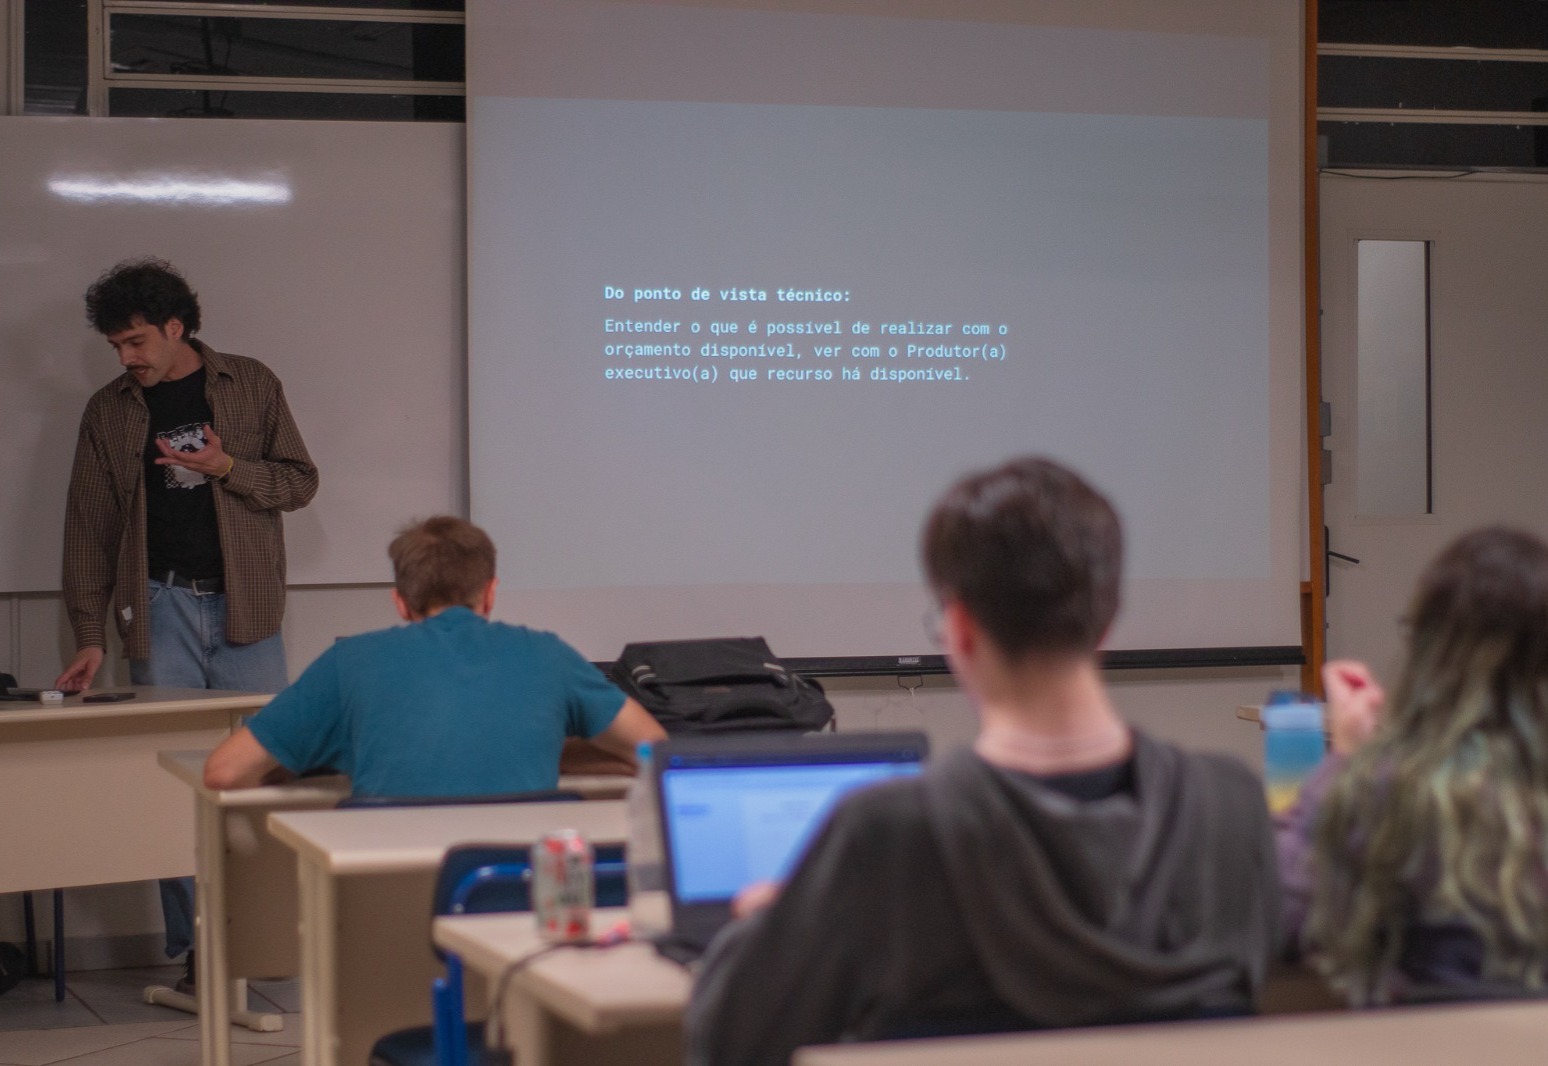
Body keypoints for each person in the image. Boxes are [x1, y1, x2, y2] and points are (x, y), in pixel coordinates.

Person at [687, 457, 1279, 1065]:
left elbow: (728, 1045)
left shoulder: (884, 834)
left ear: (961, 630)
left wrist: (768, 927)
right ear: (1105, 620)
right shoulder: (1229, 809)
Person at [56, 257, 318, 990]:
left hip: (246, 606)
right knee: (172, 786)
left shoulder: (249, 384)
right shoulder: (109, 411)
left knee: (264, 775)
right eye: (116, 345)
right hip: (158, 605)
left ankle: (265, 937)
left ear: (176, 328)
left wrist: (227, 466)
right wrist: (89, 634)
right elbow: (89, 527)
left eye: (136, 341)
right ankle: (204, 951)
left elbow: (299, 482)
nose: (126, 357)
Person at [203, 515, 666, 795]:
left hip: (385, 900)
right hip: (509, 899)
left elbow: (224, 772)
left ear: (400, 602)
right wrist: (546, 750)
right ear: (490, 594)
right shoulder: (550, 655)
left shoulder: (349, 662)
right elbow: (655, 750)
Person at [1278, 527, 1548, 1005]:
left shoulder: (1389, 791)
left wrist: (1345, 760)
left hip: (1426, 1038)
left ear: (1429, 649)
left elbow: (1278, 912)